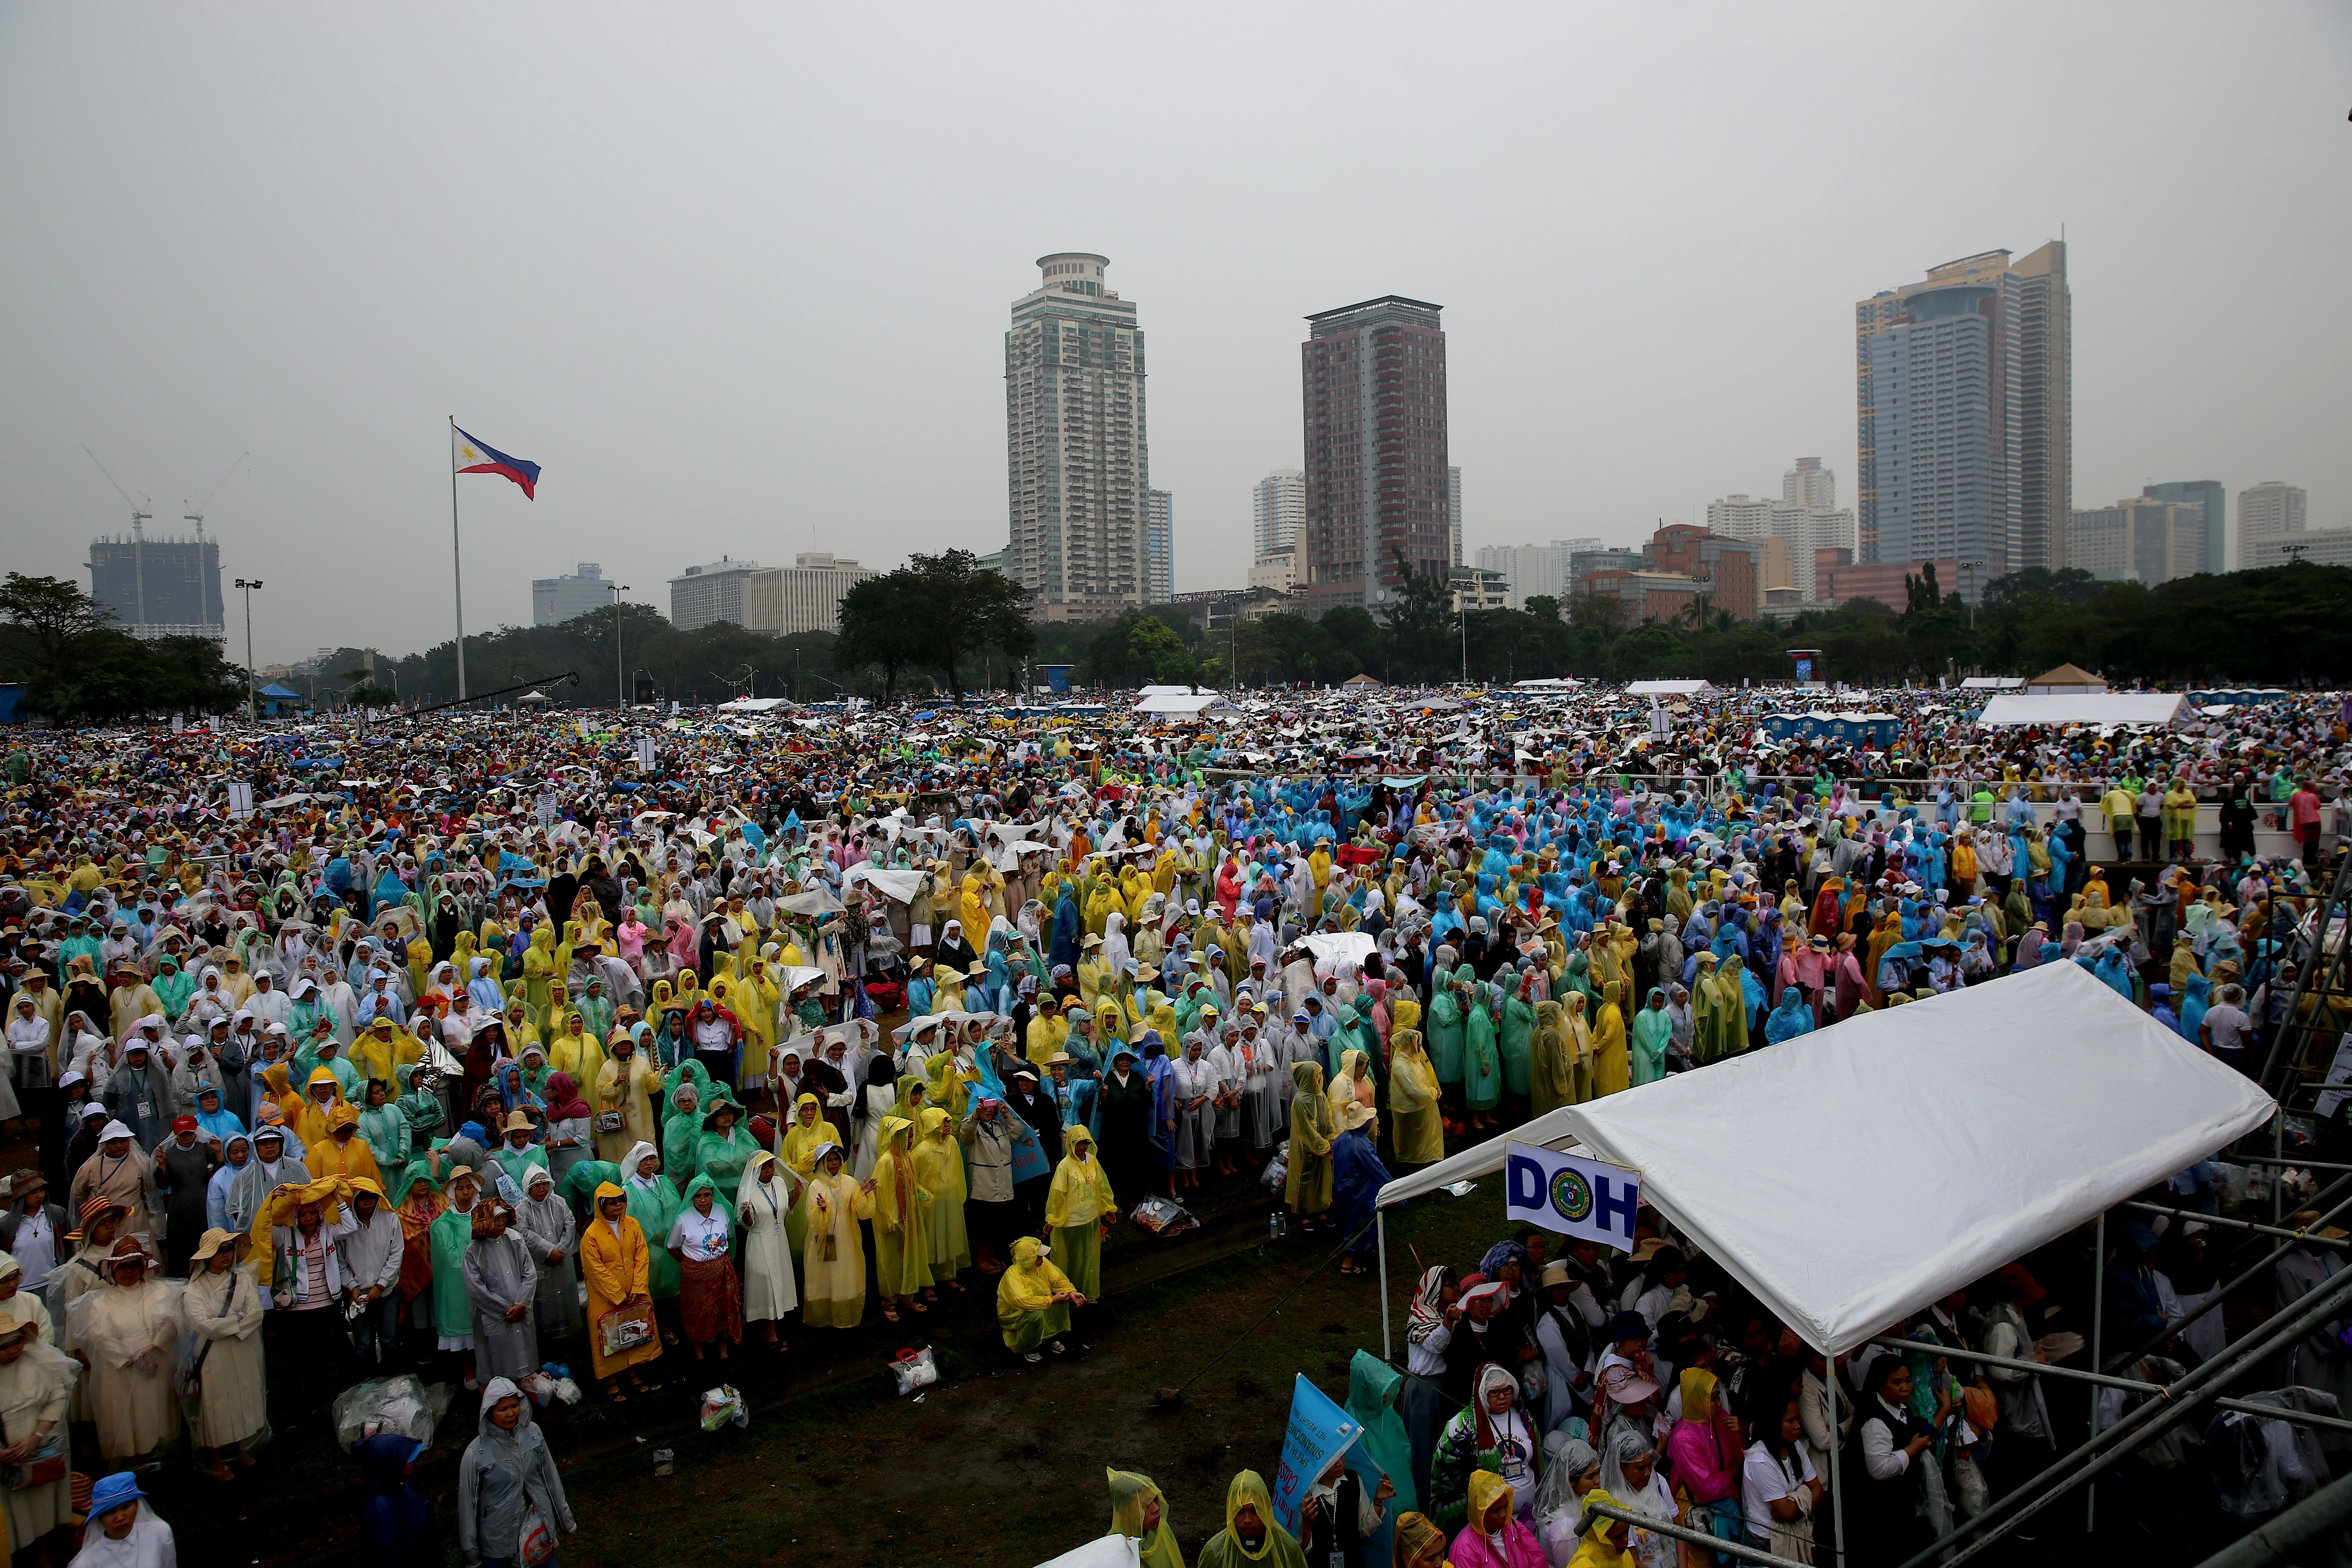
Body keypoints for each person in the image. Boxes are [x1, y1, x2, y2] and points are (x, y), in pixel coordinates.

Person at [83, 1237, 182, 1463]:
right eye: (123, 1266)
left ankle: (164, 1455)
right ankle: (135, 1460)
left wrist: (154, 1347)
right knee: (131, 1417)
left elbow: (173, 1321)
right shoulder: (102, 1303)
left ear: (143, 1267)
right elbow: (101, 1337)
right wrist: (131, 1359)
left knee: (161, 1411)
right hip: (123, 1372)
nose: (129, 1271)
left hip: (160, 1362)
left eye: (134, 1265)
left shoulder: (162, 1292)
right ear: (113, 1270)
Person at [456, 1379, 575, 1568]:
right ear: (489, 1412)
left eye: (514, 1406)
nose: (511, 1414)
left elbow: (550, 1477)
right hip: (498, 1540)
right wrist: (471, 1552)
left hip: (539, 1529)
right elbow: (468, 1505)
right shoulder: (476, 1453)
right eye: (503, 1409)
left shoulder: (533, 1433)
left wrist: (565, 1519)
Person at [180, 1227, 267, 1481]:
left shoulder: (243, 1280)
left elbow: (257, 1313)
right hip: (213, 1355)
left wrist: (229, 1324)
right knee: (216, 1403)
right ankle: (215, 1457)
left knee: (241, 1397)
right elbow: (203, 1324)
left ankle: (239, 1448)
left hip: (243, 1349)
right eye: (220, 1251)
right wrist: (237, 1320)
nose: (226, 1255)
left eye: (229, 1250)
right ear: (207, 1256)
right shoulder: (193, 1290)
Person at [1430, 1363, 1541, 1533]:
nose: (1502, 1397)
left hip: (1529, 1517)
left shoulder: (1525, 1418)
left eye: (1507, 1391)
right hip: (1489, 1524)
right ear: (1482, 1394)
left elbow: (1538, 1459)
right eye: (1495, 1393)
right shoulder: (1462, 1426)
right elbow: (1446, 1473)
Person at [580, 1182, 659, 1402]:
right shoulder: (591, 1235)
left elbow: (642, 1256)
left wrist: (637, 1288)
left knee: (634, 1332)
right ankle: (611, 1381)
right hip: (606, 1298)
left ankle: (633, 1373)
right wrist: (617, 1295)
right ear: (601, 1205)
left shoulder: (633, 1225)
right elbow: (595, 1270)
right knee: (609, 1337)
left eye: (621, 1200)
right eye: (612, 1202)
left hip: (634, 1293)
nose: (618, 1205)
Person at [0, 1312, 73, 1550]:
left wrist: (35, 1438)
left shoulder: (39, 1363)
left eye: (17, 1342)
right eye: (4, 1347)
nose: (13, 1350)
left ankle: (43, 1553)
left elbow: (57, 1397)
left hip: (39, 1449)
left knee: (41, 1507)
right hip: (5, 1458)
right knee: (13, 1510)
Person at [463, 1199, 541, 1384]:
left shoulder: (515, 1239)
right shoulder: (473, 1252)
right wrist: (506, 1310)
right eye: (496, 1220)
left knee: (523, 1353)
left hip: (521, 1309)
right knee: (496, 1359)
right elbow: (477, 1290)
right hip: (493, 1315)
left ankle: (522, 1389)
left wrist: (522, 1304)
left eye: (503, 1219)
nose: (501, 1224)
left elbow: (529, 1273)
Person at [798, 1144, 874, 1330]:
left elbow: (860, 1212)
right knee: (826, 1274)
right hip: (825, 1238)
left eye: (837, 1159)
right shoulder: (816, 1185)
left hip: (847, 1236)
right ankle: (825, 1315)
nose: (834, 1163)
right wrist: (823, 1210)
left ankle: (845, 1313)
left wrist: (863, 1195)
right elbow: (813, 1220)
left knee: (846, 1272)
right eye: (830, 1160)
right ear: (823, 1163)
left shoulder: (850, 1182)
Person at [666, 1173, 741, 1361]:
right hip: (695, 1276)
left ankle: (723, 1352)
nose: (703, 1200)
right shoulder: (683, 1220)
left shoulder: (723, 1212)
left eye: (707, 1195)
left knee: (722, 1311)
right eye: (698, 1196)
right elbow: (672, 1247)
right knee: (697, 1313)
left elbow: (730, 1237)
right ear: (692, 1198)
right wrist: (688, 1262)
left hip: (720, 1273)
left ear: (713, 1195)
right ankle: (699, 1354)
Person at [1742, 1394, 1820, 1564]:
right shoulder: (1759, 1459)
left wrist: (1794, 1506)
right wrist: (1803, 1497)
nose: (1798, 1426)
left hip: (1795, 1531)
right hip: (1765, 1540)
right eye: (1791, 1421)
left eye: (1798, 1419)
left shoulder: (1795, 1446)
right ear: (1773, 1423)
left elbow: (1818, 1490)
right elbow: (1786, 1511)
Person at [1045, 1125, 1116, 1306]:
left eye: (1085, 1143)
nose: (1082, 1148)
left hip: (1091, 1218)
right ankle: (1069, 1294)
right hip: (1072, 1221)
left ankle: (1087, 1293)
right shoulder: (1065, 1166)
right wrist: (1053, 1219)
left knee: (1088, 1257)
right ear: (1070, 1144)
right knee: (1073, 1259)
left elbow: (1102, 1186)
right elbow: (1058, 1194)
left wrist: (1108, 1208)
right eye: (1078, 1144)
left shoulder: (1093, 1161)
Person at [733, 1150, 797, 1349]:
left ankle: (776, 1325)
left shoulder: (779, 1183)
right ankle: (768, 1331)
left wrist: (799, 1194)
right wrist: (746, 1212)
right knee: (766, 1285)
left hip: (779, 1241)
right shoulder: (748, 1192)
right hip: (760, 1241)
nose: (770, 1171)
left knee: (781, 1282)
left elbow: (783, 1210)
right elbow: (748, 1224)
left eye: (771, 1166)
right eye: (764, 1168)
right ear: (755, 1171)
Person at [1197, 1470, 1308, 1568]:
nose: (1247, 1520)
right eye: (1240, 1512)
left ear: (1266, 1510)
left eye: (1255, 1511)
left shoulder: (1288, 1550)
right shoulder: (1215, 1553)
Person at [996, 1235, 1080, 1362]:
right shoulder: (1013, 1276)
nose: (1042, 1258)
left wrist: (1071, 1292)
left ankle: (1051, 1337)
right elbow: (1023, 1302)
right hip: (1016, 1314)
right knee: (1036, 1315)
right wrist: (1052, 1300)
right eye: (1039, 1256)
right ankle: (1029, 1347)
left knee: (1061, 1301)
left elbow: (1058, 1279)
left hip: (1041, 1302)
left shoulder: (1042, 1264)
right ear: (1028, 1259)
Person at [68, 1472, 175, 1568]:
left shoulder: (159, 1532)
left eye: (126, 1507)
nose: (120, 1518)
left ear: (138, 1505)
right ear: (99, 1518)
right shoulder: (85, 1563)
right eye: (109, 1513)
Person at [1449, 1470, 1544, 1568]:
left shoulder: (1515, 1528)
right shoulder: (1465, 1548)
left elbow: (1538, 1561)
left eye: (1506, 1507)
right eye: (1496, 1511)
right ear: (1480, 1512)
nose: (1504, 1515)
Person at [1106, 1468, 1185, 1568]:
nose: (1156, 1509)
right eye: (1146, 1505)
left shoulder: (1161, 1530)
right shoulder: (1111, 1552)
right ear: (1124, 1513)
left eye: (1156, 1499)